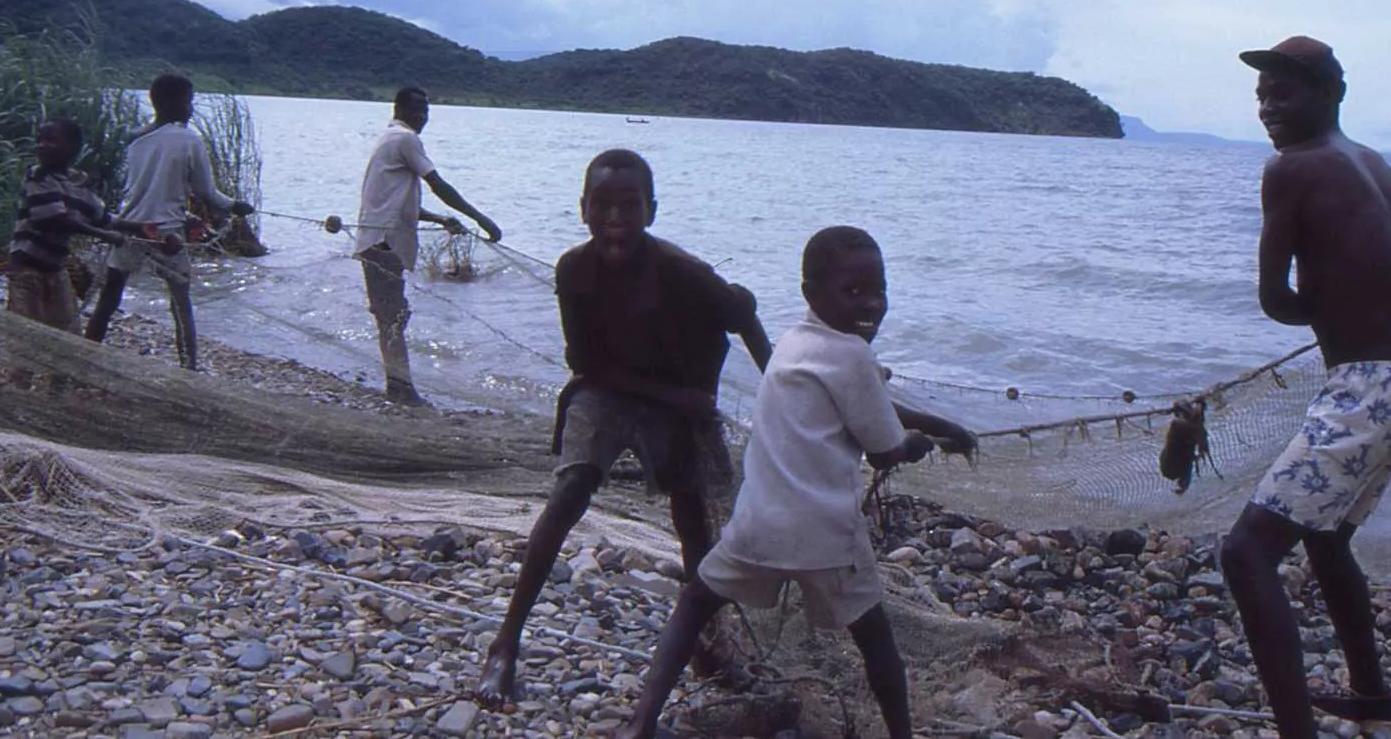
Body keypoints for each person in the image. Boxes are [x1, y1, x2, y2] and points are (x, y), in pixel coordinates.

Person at [611, 226, 976, 739]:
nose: (870, 304)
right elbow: (885, 447)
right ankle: (900, 733)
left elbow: (864, 404)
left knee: (695, 603)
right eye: (853, 292)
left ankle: (641, 721)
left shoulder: (794, 344)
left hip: (758, 526)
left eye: (879, 291)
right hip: (826, 535)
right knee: (875, 639)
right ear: (812, 293)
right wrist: (925, 442)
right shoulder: (852, 356)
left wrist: (940, 424)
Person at [1224, 36, 1391, 739]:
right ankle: (1369, 693)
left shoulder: (1289, 168)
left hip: (1364, 391)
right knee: (1326, 535)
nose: (1266, 108)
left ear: (1330, 92)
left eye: (1283, 92)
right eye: (1260, 96)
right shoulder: (1372, 161)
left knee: (1244, 554)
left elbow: (1274, 297)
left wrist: (1325, 305)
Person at [476, 149, 772, 706]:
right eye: (602, 205)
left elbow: (746, 321)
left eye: (629, 206)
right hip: (612, 389)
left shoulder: (684, 273)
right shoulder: (573, 270)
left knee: (694, 521)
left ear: (651, 212)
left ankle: (708, 646)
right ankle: (505, 645)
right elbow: (585, 365)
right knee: (571, 487)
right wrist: (670, 394)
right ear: (583, 210)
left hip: (678, 403)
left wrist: (786, 403)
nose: (615, 218)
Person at [84, 75, 254, 369]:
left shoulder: (133, 138)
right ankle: (188, 369)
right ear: (172, 103)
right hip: (166, 235)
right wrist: (235, 206)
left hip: (129, 227)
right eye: (188, 101)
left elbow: (133, 187)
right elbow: (206, 192)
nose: (190, 108)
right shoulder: (190, 140)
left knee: (108, 299)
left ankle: (82, 354)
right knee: (180, 304)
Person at [352, 86, 502, 405]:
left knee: (392, 315)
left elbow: (396, 203)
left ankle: (398, 385)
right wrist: (480, 217)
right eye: (418, 111)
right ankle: (400, 390)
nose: (423, 118)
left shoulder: (389, 138)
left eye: (427, 112)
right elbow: (438, 184)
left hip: (375, 241)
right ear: (400, 110)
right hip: (383, 244)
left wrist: (440, 220)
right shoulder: (405, 139)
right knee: (392, 317)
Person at [7, 117, 155, 333]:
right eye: (39, 140)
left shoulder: (78, 182)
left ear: (73, 147)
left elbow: (103, 217)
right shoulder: (37, 176)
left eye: (51, 140)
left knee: (67, 333)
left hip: (55, 269)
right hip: (27, 270)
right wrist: (105, 236)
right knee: (26, 334)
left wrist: (138, 227)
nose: (42, 145)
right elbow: (54, 219)